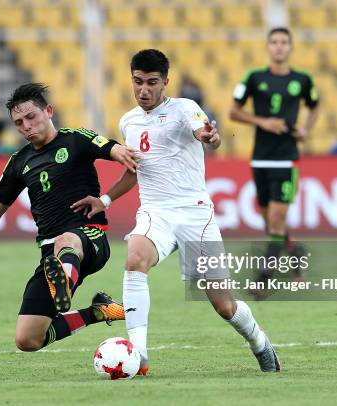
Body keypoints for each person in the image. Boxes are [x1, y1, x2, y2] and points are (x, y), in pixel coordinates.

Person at [72, 50, 280, 374]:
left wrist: (210, 136)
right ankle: (138, 354)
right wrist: (105, 200)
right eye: (138, 82)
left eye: (152, 83)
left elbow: (205, 133)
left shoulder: (186, 109)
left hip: (196, 215)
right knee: (135, 258)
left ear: (165, 82)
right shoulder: (128, 121)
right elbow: (133, 170)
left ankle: (259, 342)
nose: (144, 90)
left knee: (224, 305)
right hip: (156, 212)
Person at [0, 83, 139, 352]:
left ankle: (64, 281)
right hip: (51, 255)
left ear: (49, 111)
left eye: (31, 117)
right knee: (28, 339)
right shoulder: (19, 161)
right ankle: (98, 311)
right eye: (19, 123)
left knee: (66, 240)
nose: (26, 126)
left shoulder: (76, 139)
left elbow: (115, 152)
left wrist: (106, 196)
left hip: (89, 238)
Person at [228, 27, 319, 294]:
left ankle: (263, 280)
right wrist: (262, 121)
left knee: (277, 220)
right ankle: (297, 256)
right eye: (275, 42)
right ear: (268, 47)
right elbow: (233, 111)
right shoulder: (254, 78)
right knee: (271, 223)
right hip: (261, 159)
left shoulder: (303, 79)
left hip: (287, 158)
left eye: (284, 42)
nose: (279, 47)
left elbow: (314, 106)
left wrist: (306, 130)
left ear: (290, 48)